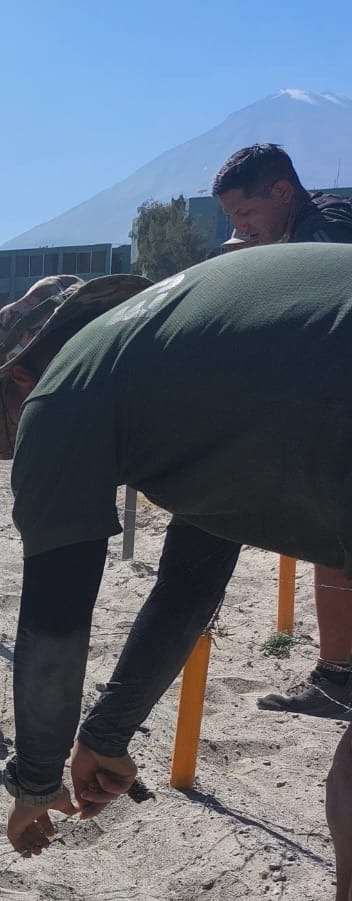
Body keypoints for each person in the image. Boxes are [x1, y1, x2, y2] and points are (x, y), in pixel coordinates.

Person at [0, 245, 352, 901]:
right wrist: (110, 735)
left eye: (12, 441)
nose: (27, 457)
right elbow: (189, 580)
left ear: (20, 380)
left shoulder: (62, 393)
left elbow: (56, 615)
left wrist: (31, 784)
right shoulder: (187, 357)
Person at [211, 143, 352, 720]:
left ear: (281, 193)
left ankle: (338, 676)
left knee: (333, 534)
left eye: (246, 216)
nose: (242, 229)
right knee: (331, 538)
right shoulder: (315, 226)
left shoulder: (322, 244)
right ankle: (338, 674)